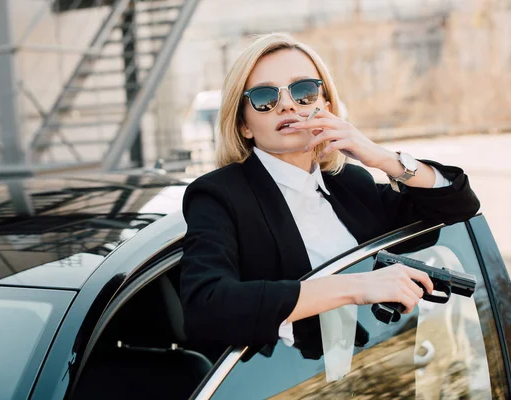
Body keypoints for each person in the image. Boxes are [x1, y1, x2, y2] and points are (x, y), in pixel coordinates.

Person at [179, 33, 480, 360]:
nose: (287, 104)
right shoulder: (219, 195)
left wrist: (382, 158)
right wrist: (357, 286)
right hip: (288, 385)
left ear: (326, 106)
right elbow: (206, 307)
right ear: (244, 125)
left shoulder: (350, 182)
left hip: (380, 368)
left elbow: (458, 207)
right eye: (265, 98)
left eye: (304, 91)